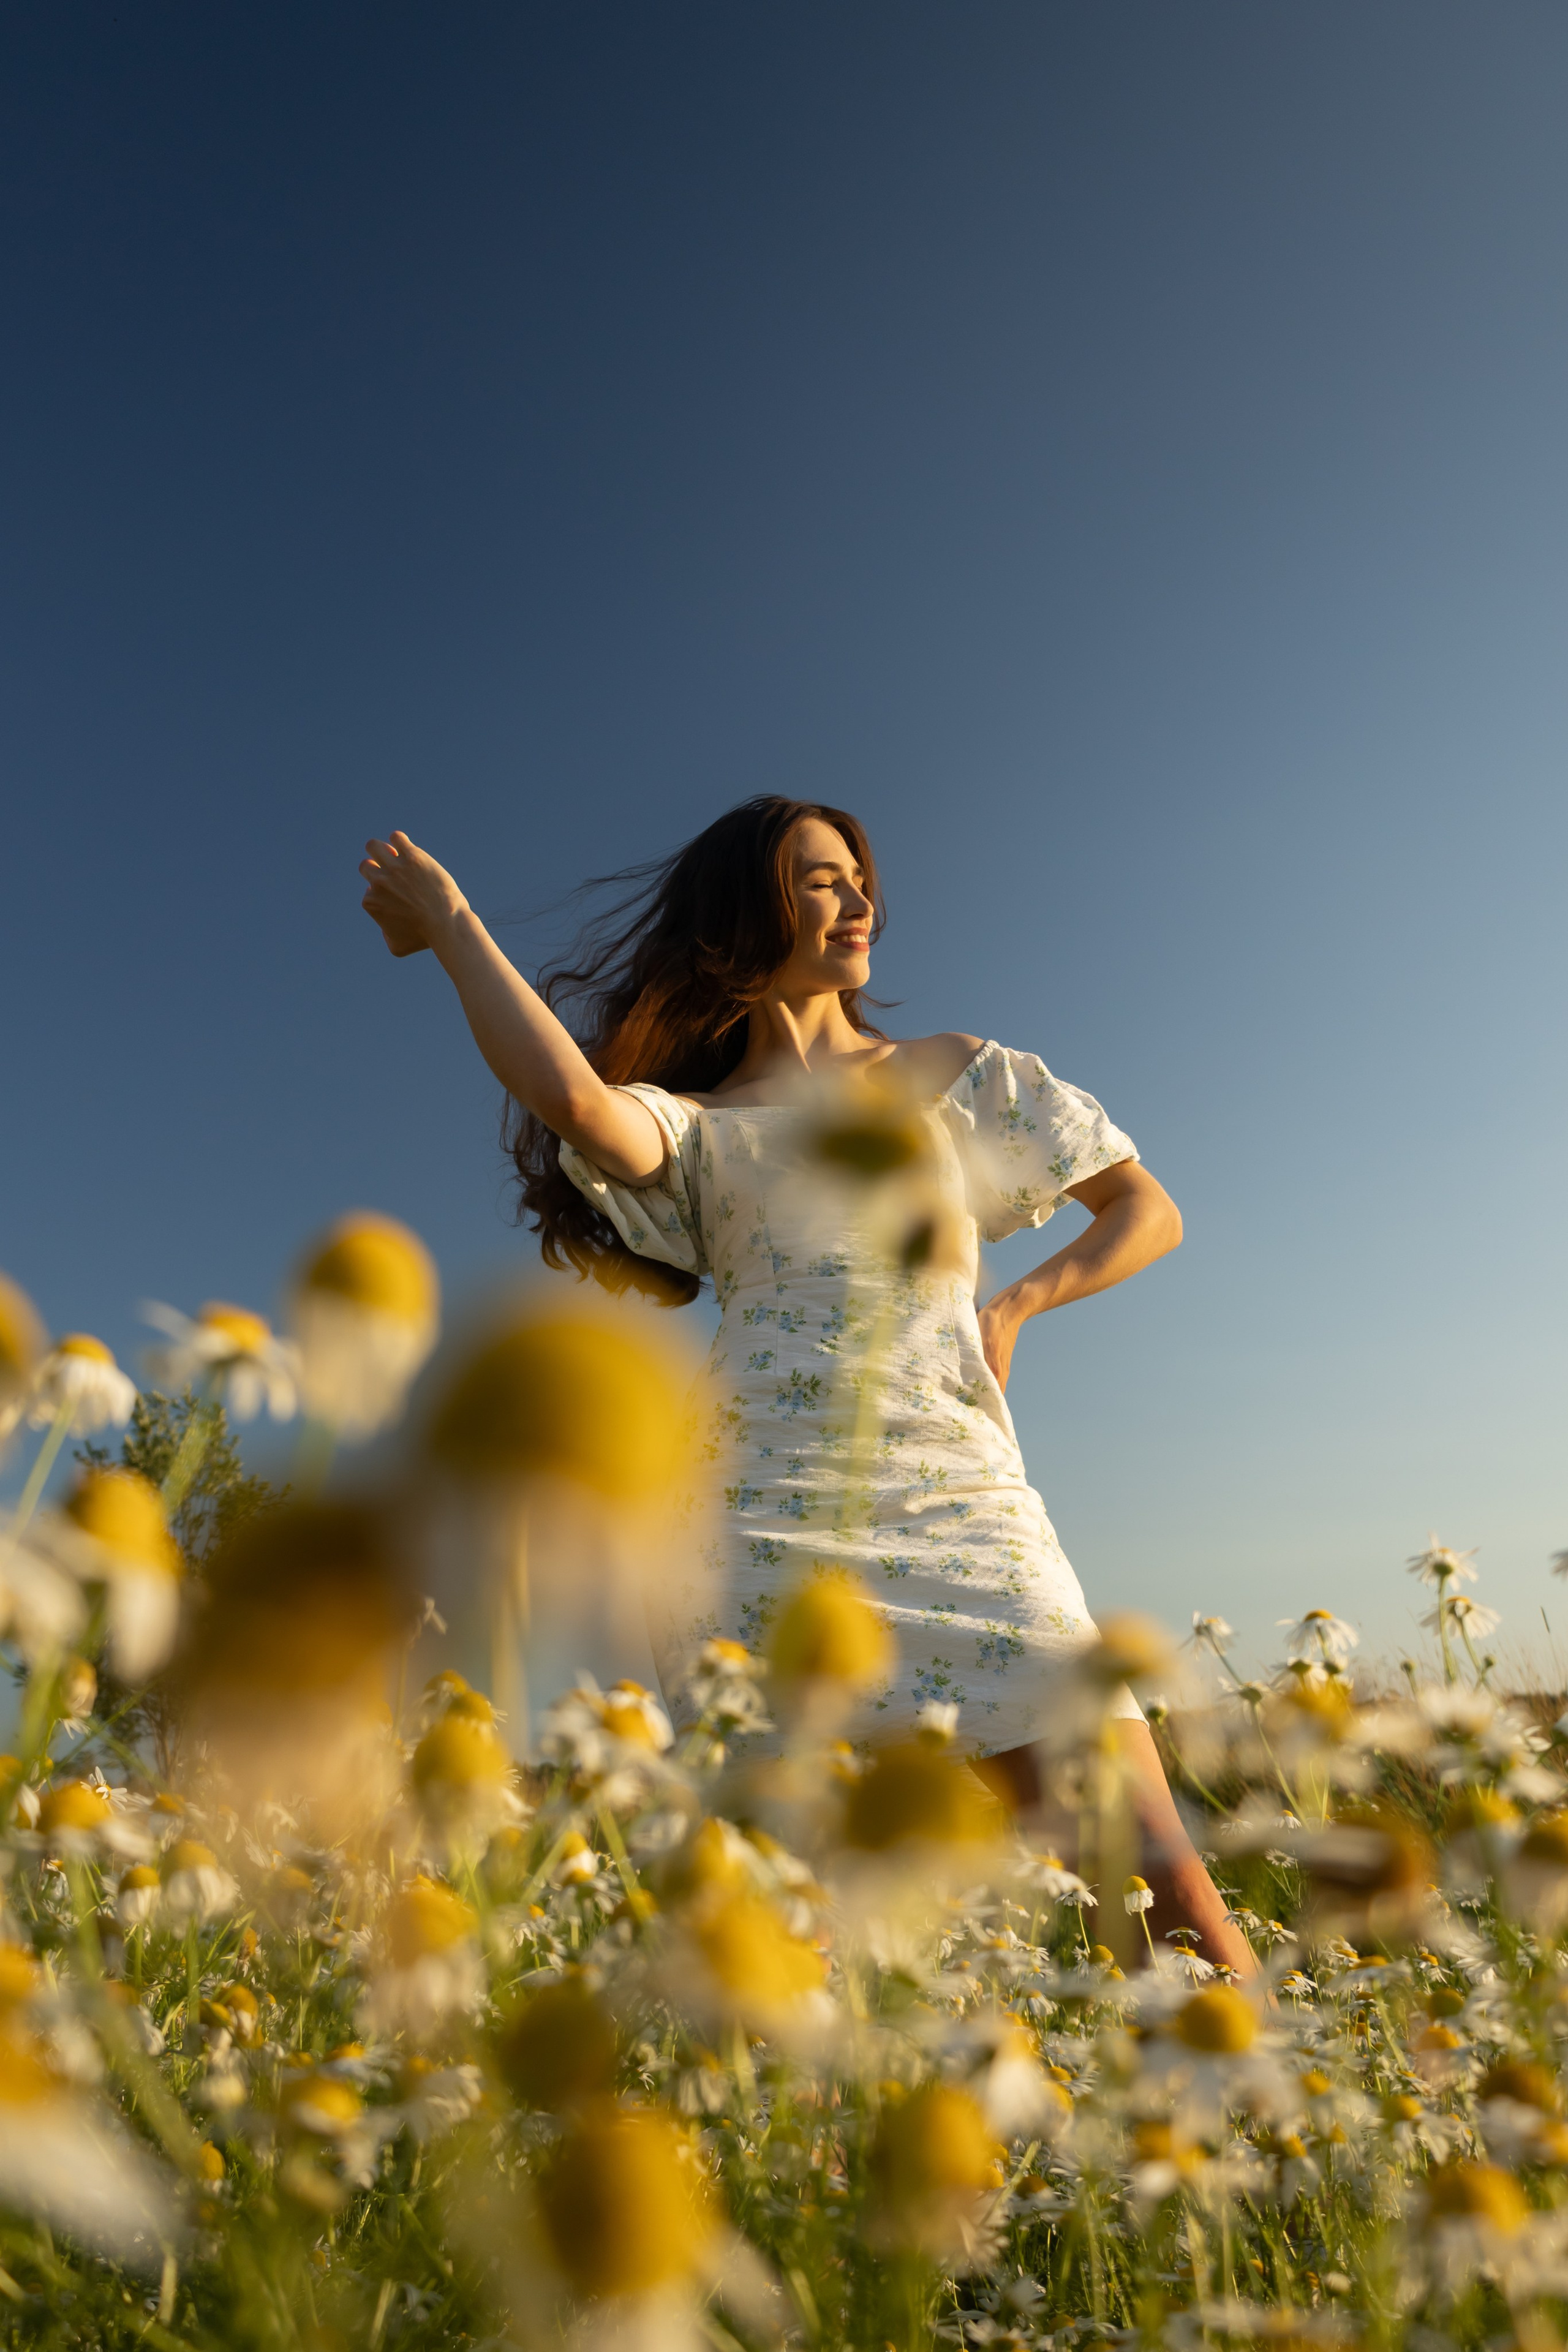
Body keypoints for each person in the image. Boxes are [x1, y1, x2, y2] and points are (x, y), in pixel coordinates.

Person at [359, 796, 1253, 1975]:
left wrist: (1017, 1303)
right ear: (753, 909)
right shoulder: (700, 1127)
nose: (859, 899)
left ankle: (1272, 2137)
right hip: (752, 1519)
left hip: (962, 1496)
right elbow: (573, 1100)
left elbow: (1149, 1210)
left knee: (1156, 1879)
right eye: (822, 880)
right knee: (792, 1933)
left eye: (858, 877)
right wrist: (455, 924)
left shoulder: (958, 1077)